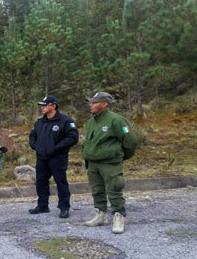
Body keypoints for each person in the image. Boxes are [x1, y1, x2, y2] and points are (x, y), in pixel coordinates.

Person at [82, 92, 138, 234]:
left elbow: (130, 140)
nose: (91, 105)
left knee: (114, 189)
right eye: (91, 102)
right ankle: (101, 215)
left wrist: (119, 156)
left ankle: (119, 216)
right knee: (97, 190)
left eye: (94, 102)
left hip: (110, 163)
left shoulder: (116, 120)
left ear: (104, 104)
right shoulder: (91, 122)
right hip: (93, 163)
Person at [28, 95, 79, 218]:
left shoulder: (66, 121)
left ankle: (64, 207)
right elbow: (32, 137)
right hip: (41, 157)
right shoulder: (39, 122)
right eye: (42, 105)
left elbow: (72, 137)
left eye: (45, 105)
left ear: (53, 106)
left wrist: (56, 148)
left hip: (57, 158)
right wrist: (36, 146)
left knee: (60, 182)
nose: (42, 108)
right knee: (41, 182)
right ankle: (42, 205)